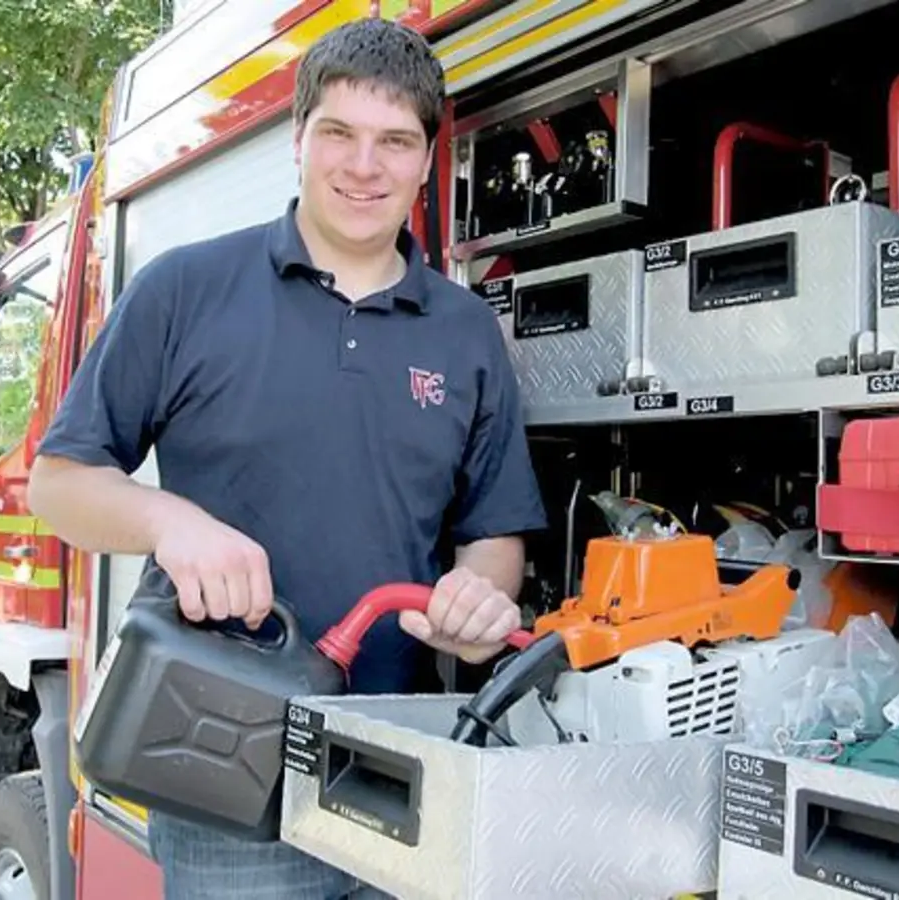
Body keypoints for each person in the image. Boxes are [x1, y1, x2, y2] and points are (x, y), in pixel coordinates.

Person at [28, 16, 547, 899]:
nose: (363, 165)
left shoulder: (467, 335)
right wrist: (172, 521)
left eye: (394, 142)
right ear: (296, 140)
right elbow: (59, 484)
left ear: (427, 160)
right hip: (224, 762)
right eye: (338, 133)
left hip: (408, 766)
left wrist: (478, 596)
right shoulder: (186, 289)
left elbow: (493, 532)